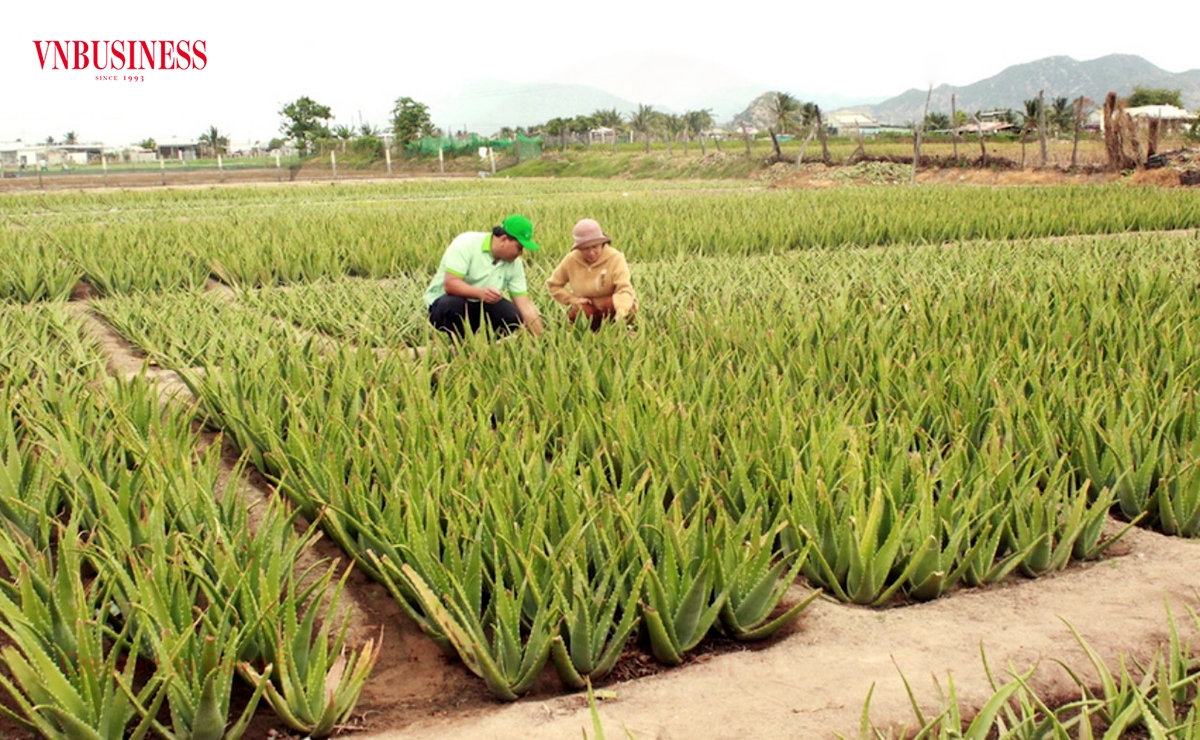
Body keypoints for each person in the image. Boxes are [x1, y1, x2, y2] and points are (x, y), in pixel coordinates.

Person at [423, 214, 545, 338]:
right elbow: (451, 284)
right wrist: (480, 293)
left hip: (481, 305)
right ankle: (460, 344)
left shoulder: (514, 263)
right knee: (454, 306)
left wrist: (541, 339)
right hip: (446, 304)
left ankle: (485, 345)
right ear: (503, 239)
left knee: (512, 316)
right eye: (519, 248)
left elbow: (524, 305)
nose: (520, 253)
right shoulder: (466, 243)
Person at [546, 218, 637, 331]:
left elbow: (624, 289)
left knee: (614, 305)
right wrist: (572, 299)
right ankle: (589, 334)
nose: (591, 252)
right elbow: (553, 285)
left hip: (614, 307)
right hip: (589, 308)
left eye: (595, 246)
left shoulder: (616, 258)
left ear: (602, 243)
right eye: (585, 248)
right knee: (580, 312)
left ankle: (616, 331)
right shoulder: (571, 259)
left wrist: (621, 312)